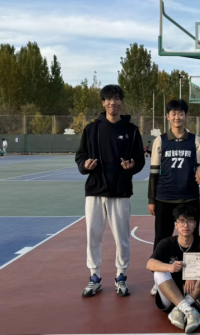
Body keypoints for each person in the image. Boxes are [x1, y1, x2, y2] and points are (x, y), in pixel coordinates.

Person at [75, 84, 145, 297]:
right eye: (108, 99)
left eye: (116, 99)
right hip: (95, 191)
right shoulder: (91, 129)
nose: (112, 102)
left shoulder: (131, 130)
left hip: (120, 191)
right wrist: (85, 165)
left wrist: (132, 166)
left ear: (121, 102)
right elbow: (80, 156)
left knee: (122, 237)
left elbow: (140, 160)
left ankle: (121, 276)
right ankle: (94, 277)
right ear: (103, 102)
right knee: (93, 236)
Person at [148, 99, 200, 296]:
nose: (177, 117)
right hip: (164, 197)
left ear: (186, 116)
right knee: (161, 239)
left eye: (181, 113)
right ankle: (159, 279)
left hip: (189, 197)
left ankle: (193, 278)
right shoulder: (160, 140)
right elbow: (154, 172)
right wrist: (151, 199)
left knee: (192, 238)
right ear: (168, 116)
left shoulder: (195, 140)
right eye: (173, 113)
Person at [147, 205, 200, 333]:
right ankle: (188, 310)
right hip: (171, 297)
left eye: (189, 221)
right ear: (176, 225)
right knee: (159, 271)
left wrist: (193, 273)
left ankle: (182, 308)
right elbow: (150, 263)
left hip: (196, 297)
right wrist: (170, 267)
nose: (185, 225)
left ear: (195, 224)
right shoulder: (167, 243)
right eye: (181, 221)